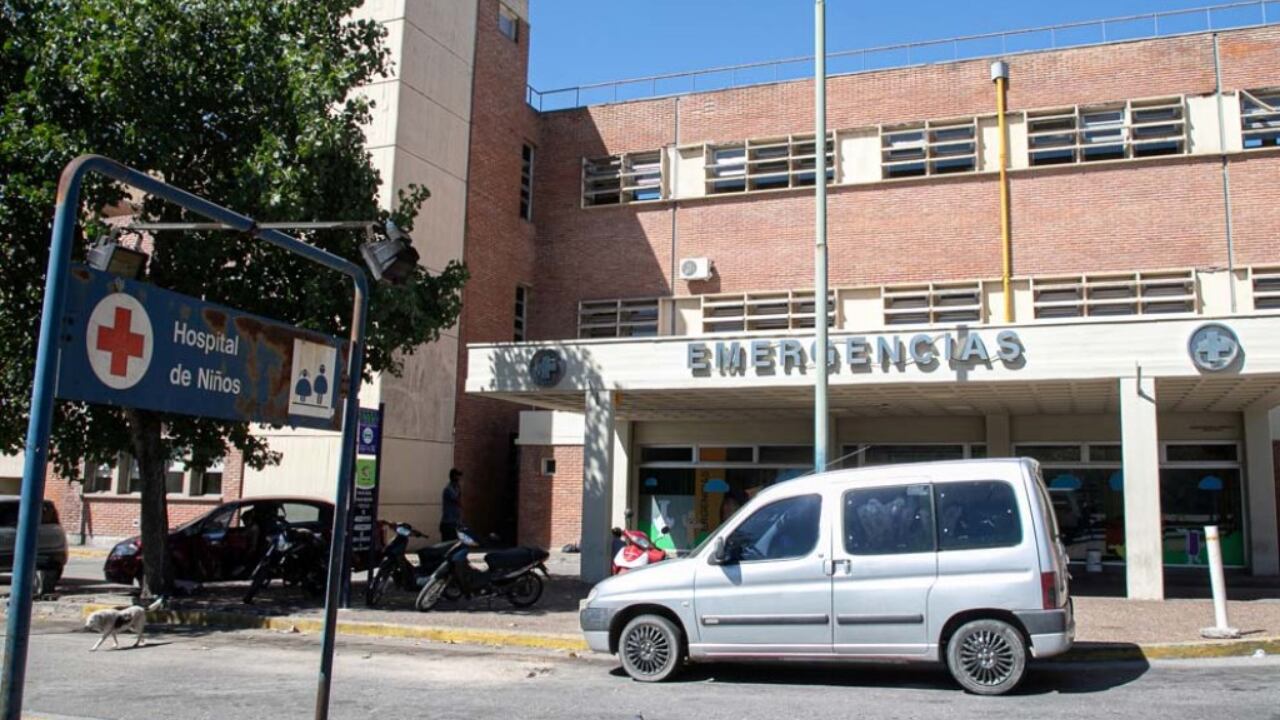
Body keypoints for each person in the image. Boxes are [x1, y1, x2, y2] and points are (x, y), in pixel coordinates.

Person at [440, 468, 462, 541]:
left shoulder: (455, 488)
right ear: (453, 476)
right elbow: (457, 500)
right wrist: (458, 489)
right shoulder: (448, 489)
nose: (459, 478)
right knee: (448, 546)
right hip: (448, 524)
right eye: (457, 476)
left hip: (454, 523)